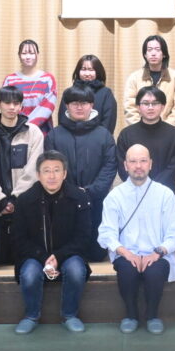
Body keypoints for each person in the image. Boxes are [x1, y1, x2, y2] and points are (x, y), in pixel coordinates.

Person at [98, 144, 175, 334]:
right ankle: (131, 315)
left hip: (158, 253)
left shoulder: (165, 194)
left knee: (154, 271)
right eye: (133, 161)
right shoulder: (115, 196)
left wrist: (158, 252)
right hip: (126, 253)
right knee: (127, 270)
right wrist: (126, 253)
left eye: (143, 161)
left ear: (150, 164)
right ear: (125, 165)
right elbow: (106, 233)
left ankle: (153, 315)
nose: (138, 166)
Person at [11, 151, 95, 334]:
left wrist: (58, 256)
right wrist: (43, 258)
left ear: (64, 174)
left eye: (57, 170)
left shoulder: (79, 198)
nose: (52, 176)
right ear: (38, 175)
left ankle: (70, 315)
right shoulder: (24, 200)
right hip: (34, 256)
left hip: (69, 254)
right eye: (46, 171)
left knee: (75, 271)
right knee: (30, 274)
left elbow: (83, 237)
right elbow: (19, 239)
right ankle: (31, 316)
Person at [45, 83, 117, 260]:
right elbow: (50, 168)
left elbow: (109, 166)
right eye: (74, 103)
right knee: (66, 253)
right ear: (67, 106)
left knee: (96, 254)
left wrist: (90, 191)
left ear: (92, 105)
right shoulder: (54, 135)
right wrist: (70, 191)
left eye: (84, 103)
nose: (79, 107)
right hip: (62, 201)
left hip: (96, 202)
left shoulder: (104, 135)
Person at [0, 86, 44, 265]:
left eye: (16, 103)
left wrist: (15, 199)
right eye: (7, 103)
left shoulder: (33, 133)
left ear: (21, 106)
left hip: (24, 208)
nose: (12, 107)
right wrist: (0, 201)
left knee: (24, 260)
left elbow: (33, 171)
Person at [115, 86, 175, 192]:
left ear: (162, 106)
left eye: (155, 103)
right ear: (138, 107)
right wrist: (140, 185)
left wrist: (152, 188)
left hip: (164, 192)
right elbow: (122, 167)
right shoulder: (126, 134)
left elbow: (173, 169)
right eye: (146, 103)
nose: (150, 107)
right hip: (134, 191)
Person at [123, 34, 175, 128]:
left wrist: (163, 130)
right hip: (141, 131)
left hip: (169, 132)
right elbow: (130, 108)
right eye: (149, 50)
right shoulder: (134, 78)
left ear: (164, 54)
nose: (153, 53)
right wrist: (142, 129)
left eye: (157, 49)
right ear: (145, 54)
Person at [2, 39, 57, 135]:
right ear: (19, 55)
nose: (28, 57)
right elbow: (5, 105)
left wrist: (26, 126)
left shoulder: (47, 79)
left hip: (41, 132)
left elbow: (47, 107)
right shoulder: (10, 79)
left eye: (31, 53)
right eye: (24, 53)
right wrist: (18, 126)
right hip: (14, 132)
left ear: (37, 55)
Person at [71, 54, 117, 134]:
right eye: (83, 69)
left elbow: (109, 122)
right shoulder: (70, 92)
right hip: (72, 138)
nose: (87, 74)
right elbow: (63, 120)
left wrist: (96, 138)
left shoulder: (106, 93)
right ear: (78, 71)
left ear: (98, 72)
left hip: (100, 139)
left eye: (91, 70)